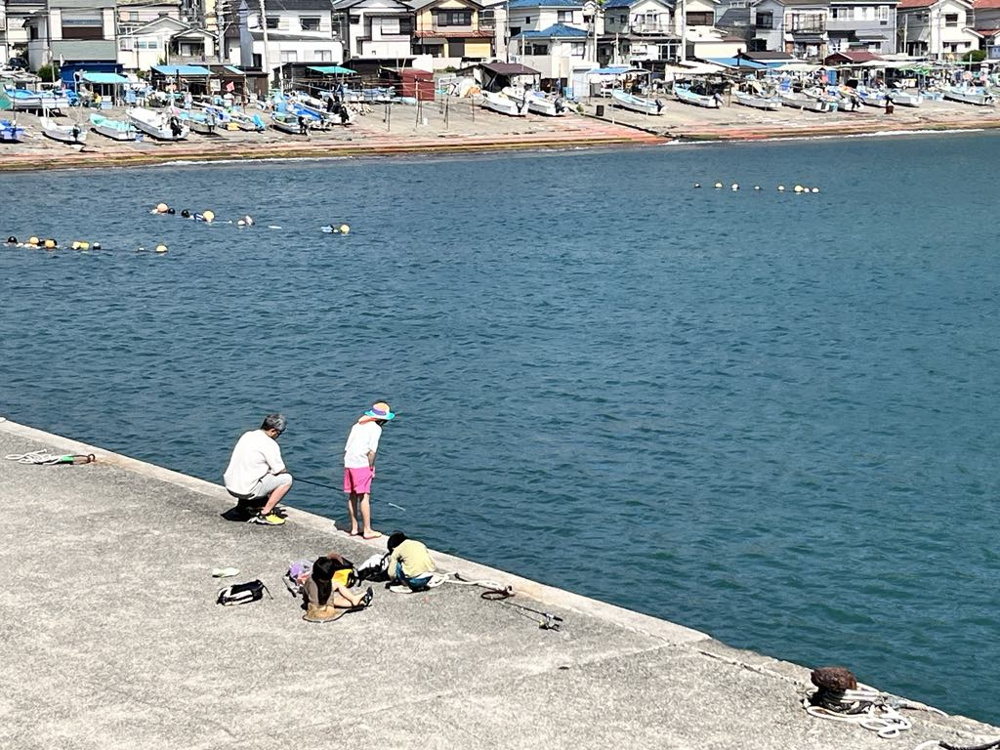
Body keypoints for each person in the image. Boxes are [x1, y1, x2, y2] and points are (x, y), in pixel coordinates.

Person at [223, 413, 292, 526]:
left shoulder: (247, 435)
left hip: (231, 486)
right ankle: (264, 514)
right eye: (279, 433)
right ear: (274, 431)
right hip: (246, 490)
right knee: (286, 479)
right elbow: (280, 470)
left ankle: (242, 508)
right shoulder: (270, 444)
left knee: (255, 474)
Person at [343, 401, 395, 539]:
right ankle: (367, 530)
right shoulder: (376, 429)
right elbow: (371, 452)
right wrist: (371, 468)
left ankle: (354, 527)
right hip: (361, 463)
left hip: (349, 461)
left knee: (352, 495)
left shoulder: (357, 425)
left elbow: (348, 447)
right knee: (364, 496)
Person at [302, 556, 374, 622]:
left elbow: (329, 591)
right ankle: (362, 602)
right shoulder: (312, 583)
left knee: (336, 585)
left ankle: (354, 599)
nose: (327, 581)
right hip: (317, 604)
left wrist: (330, 604)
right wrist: (328, 606)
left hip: (323, 594)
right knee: (337, 600)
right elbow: (314, 602)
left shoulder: (326, 577)